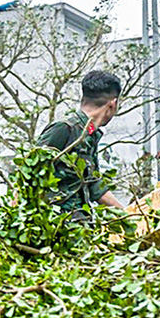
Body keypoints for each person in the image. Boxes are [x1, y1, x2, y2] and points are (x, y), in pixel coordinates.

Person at [37, 70, 124, 216]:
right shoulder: (64, 128)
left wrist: (128, 215)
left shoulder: (90, 136)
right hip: (55, 226)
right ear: (113, 104)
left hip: (79, 226)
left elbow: (95, 186)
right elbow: (29, 172)